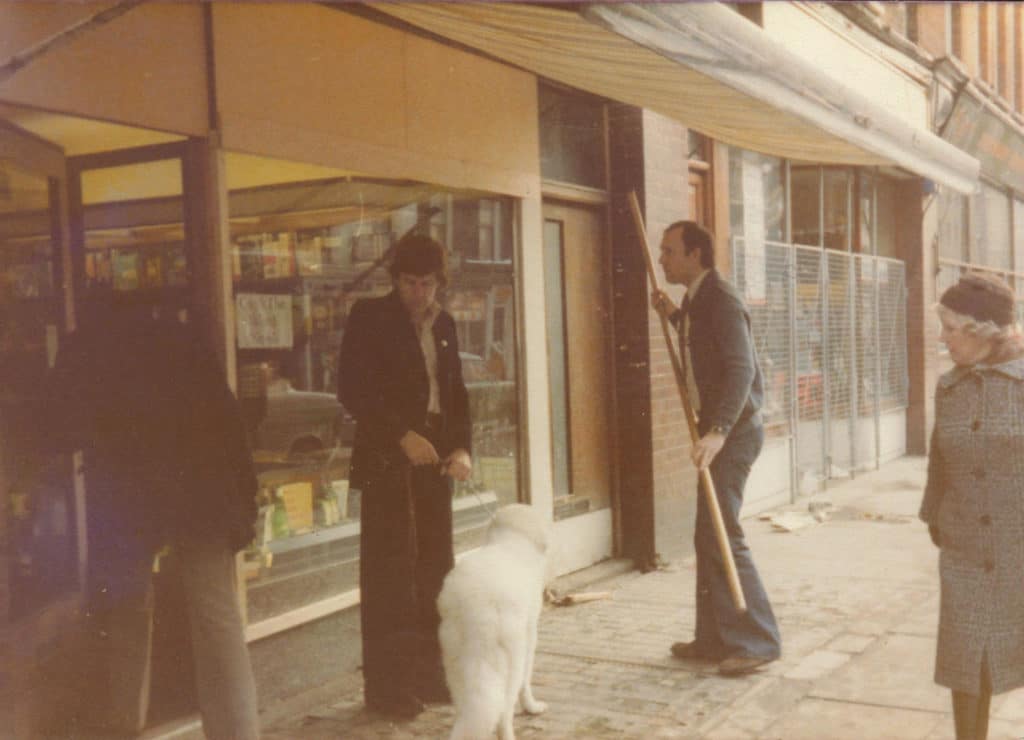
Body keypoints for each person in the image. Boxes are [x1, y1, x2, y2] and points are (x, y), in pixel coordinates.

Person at [15, 302, 261, 739]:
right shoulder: (182, 340)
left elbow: (55, 427)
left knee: (127, 613)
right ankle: (238, 733)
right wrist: (246, 504)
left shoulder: (86, 347)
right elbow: (229, 421)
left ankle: (121, 727)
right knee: (216, 617)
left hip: (130, 495)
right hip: (198, 491)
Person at [337, 233, 472, 719]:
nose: (419, 293)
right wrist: (401, 436)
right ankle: (389, 689)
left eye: (428, 284)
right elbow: (352, 389)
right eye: (410, 283)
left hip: (434, 455)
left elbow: (455, 391)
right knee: (390, 573)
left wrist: (461, 446)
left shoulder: (446, 325)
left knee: (435, 566)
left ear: (440, 282)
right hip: (388, 458)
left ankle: (430, 676)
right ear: (395, 281)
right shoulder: (371, 318)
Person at [650, 220, 781, 677]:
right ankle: (713, 638)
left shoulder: (721, 299)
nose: (662, 258)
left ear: (695, 255)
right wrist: (671, 314)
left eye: (669, 250)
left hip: (734, 433)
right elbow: (698, 336)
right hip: (717, 433)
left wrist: (719, 430)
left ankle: (758, 640)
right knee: (707, 534)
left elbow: (741, 369)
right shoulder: (697, 299)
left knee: (723, 532)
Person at [920, 272, 1024, 740]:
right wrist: (936, 515)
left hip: (1019, 547)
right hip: (964, 549)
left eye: (950, 327)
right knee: (966, 659)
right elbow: (938, 461)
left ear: (983, 331)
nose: (942, 337)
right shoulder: (949, 387)